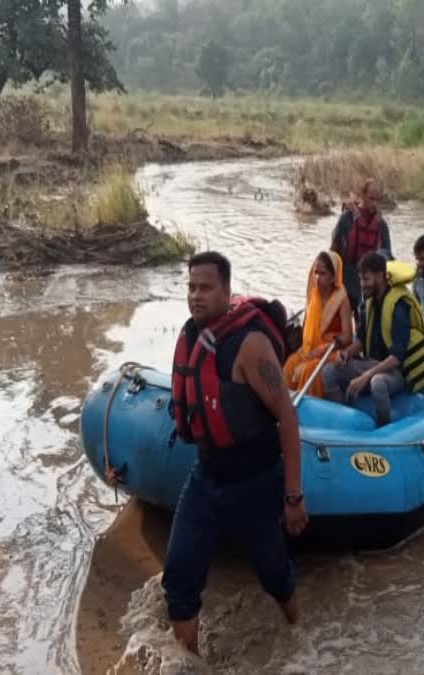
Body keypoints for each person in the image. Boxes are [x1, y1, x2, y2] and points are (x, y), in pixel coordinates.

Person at [163, 251, 309, 656]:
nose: (196, 296)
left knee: (275, 575)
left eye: (206, 288)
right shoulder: (191, 337)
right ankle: (190, 664)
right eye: (191, 287)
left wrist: (293, 496)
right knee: (178, 579)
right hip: (206, 478)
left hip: (256, 481)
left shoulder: (251, 347)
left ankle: (298, 634)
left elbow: (287, 418)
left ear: (227, 292)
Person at [322, 253, 424, 427]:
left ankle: (383, 430)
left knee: (377, 383)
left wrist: (366, 376)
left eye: (366, 279)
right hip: (371, 363)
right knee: (329, 372)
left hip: (395, 372)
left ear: (380, 276)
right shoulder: (368, 304)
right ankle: (343, 422)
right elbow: (360, 340)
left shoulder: (398, 307)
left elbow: (397, 357)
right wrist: (345, 353)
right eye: (360, 279)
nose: (362, 285)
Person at [284, 251, 353, 398]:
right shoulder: (313, 296)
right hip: (310, 349)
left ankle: (307, 410)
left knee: (308, 370)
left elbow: (348, 338)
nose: (317, 278)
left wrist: (323, 348)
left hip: (331, 352)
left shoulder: (342, 301)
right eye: (315, 273)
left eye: (322, 273)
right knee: (290, 364)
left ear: (333, 276)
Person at [330, 178, 392, 317]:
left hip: (369, 286)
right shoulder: (347, 219)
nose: (374, 204)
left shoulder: (381, 225)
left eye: (377, 200)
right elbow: (334, 250)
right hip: (347, 280)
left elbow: (388, 258)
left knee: (364, 320)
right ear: (362, 196)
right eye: (371, 199)